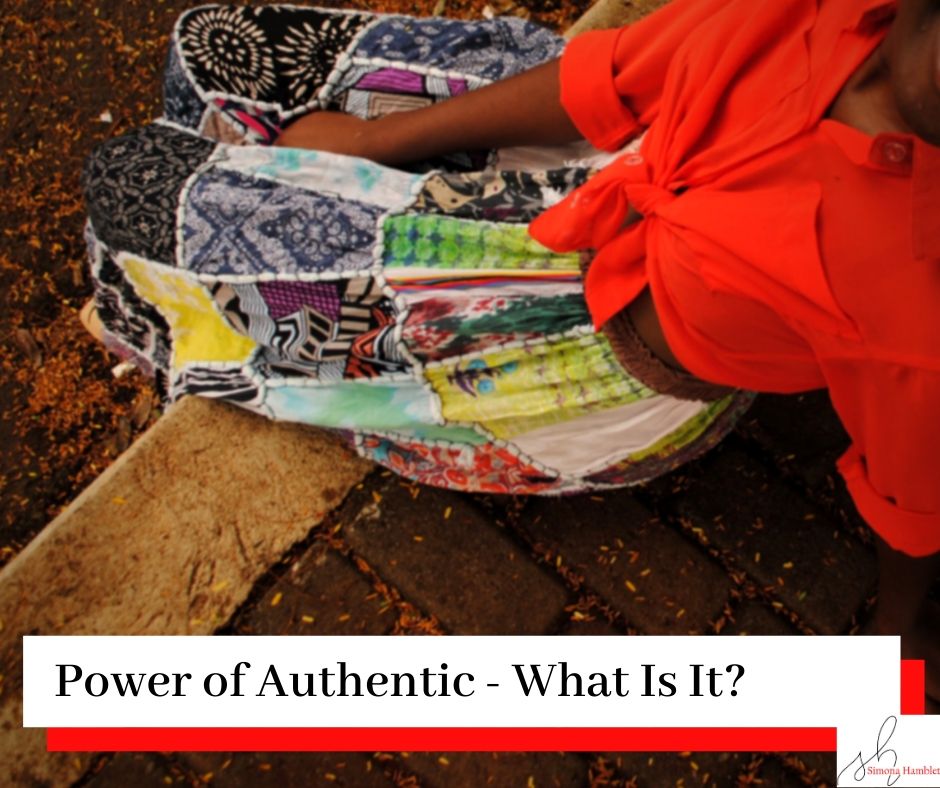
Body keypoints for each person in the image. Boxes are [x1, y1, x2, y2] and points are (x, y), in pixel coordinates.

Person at [82, 0, 939, 706]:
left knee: (135, 181)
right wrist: (373, 143)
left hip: (549, 353)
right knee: (218, 48)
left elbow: (915, 515)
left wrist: (890, 714)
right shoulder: (823, 12)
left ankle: (180, 306)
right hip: (581, 174)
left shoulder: (925, 289)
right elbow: (607, 79)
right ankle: (204, 269)